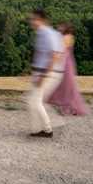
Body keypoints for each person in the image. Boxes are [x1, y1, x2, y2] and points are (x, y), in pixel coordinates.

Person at [28, 8, 64, 138]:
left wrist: (44, 76)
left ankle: (47, 129)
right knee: (34, 101)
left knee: (34, 101)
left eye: (34, 19)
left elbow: (55, 56)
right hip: (41, 71)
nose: (31, 22)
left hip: (48, 72)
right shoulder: (41, 33)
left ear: (41, 20)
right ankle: (39, 128)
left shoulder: (48, 33)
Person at [47, 23, 89, 116]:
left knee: (66, 86)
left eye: (61, 27)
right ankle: (67, 106)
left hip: (65, 63)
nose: (59, 28)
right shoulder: (69, 37)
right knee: (67, 86)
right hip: (67, 62)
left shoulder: (66, 37)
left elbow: (60, 51)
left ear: (66, 29)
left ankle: (67, 107)